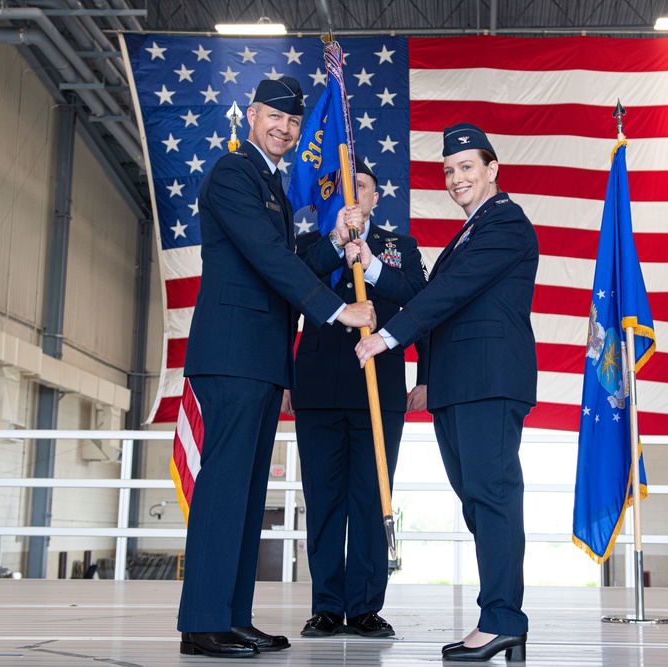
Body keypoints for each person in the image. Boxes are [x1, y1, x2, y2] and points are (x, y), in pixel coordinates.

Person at [177, 77, 376, 659]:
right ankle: (203, 623)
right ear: (252, 115)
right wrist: (337, 309)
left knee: (244, 491)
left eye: (292, 122)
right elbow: (266, 258)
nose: (285, 129)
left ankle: (232, 616)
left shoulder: (272, 185)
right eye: (274, 117)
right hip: (232, 354)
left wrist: (334, 236)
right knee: (223, 489)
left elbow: (286, 256)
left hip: (261, 358)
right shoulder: (234, 173)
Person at [354, 123, 538, 663]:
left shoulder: (505, 221)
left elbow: (450, 294)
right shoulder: (470, 231)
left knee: (493, 499)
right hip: (460, 386)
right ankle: (500, 617)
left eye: (466, 167)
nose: (456, 178)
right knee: (479, 503)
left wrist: (387, 339)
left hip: (487, 383)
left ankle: (504, 619)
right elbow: (429, 292)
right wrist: (370, 264)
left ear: (491, 170)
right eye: (449, 170)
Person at [281, 157, 428, 639]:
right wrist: (337, 243)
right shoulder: (309, 245)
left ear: (374, 197)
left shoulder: (398, 247)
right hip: (320, 390)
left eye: (361, 186)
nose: (354, 193)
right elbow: (293, 289)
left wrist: (425, 374)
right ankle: (326, 604)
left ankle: (365, 606)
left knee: (371, 497)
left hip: (378, 391)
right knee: (323, 500)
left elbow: (423, 303)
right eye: (345, 187)